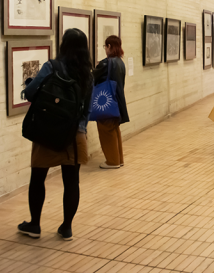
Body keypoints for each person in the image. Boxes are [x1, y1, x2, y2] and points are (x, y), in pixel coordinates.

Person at [18, 28, 92, 241]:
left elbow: (31, 94)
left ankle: (35, 224)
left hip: (46, 131)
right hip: (73, 134)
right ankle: (66, 227)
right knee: (71, 182)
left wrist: (31, 84)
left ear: (63, 45)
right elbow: (87, 109)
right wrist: (81, 129)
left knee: (38, 178)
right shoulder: (88, 73)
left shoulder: (52, 66)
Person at [93, 35, 130, 169]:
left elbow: (93, 77)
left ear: (109, 46)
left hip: (105, 101)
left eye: (105, 46)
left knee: (106, 130)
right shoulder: (120, 62)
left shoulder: (106, 63)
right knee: (114, 130)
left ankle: (112, 161)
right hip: (117, 101)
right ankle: (118, 159)